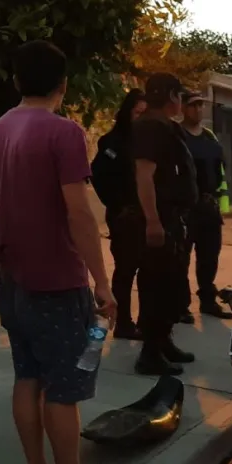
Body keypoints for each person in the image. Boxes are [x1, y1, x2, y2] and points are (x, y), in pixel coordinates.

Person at [0, 40, 131, 464]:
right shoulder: (63, 132)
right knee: (64, 387)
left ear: (17, 81)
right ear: (63, 85)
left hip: (13, 278)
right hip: (57, 279)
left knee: (27, 376)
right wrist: (102, 282)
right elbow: (79, 215)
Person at [131, 73, 198, 376]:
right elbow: (144, 175)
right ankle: (150, 352)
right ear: (171, 95)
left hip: (175, 218)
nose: (182, 101)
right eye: (180, 95)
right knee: (156, 286)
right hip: (160, 220)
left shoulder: (168, 128)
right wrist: (153, 221)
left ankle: (164, 341)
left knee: (172, 285)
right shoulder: (149, 127)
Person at [91, 89, 146, 340]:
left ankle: (148, 321)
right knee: (125, 270)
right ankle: (123, 322)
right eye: (137, 112)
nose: (141, 118)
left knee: (151, 271)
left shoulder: (149, 141)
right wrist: (118, 206)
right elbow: (99, 176)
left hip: (150, 215)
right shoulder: (112, 142)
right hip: (125, 216)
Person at [178, 91, 232, 320]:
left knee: (209, 257)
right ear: (183, 107)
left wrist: (220, 204)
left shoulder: (210, 137)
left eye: (201, 105)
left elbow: (220, 170)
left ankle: (208, 301)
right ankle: (179, 305)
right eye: (193, 105)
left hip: (209, 207)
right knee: (181, 258)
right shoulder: (176, 135)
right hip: (185, 207)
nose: (198, 109)